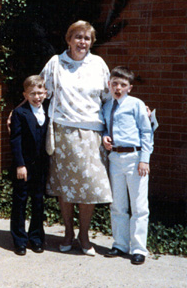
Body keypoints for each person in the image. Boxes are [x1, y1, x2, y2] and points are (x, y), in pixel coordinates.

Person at [40, 20, 112, 256]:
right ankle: (68, 232)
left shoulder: (99, 64)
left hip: (91, 133)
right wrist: (18, 113)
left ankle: (84, 235)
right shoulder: (55, 63)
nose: (82, 42)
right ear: (68, 39)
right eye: (78, 37)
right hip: (63, 132)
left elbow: (108, 100)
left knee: (89, 186)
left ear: (92, 42)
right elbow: (40, 93)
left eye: (87, 38)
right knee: (65, 187)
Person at [101, 66, 154, 265]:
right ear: (109, 84)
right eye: (114, 83)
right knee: (118, 205)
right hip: (115, 158)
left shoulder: (136, 105)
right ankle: (120, 244)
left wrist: (144, 159)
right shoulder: (107, 106)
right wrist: (104, 137)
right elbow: (105, 128)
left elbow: (146, 132)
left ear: (129, 87)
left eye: (123, 85)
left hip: (135, 159)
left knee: (139, 206)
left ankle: (138, 248)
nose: (118, 88)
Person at [9, 75, 49, 255]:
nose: (37, 97)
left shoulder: (48, 110)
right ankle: (19, 240)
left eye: (40, 93)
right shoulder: (20, 113)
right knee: (21, 201)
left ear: (46, 93)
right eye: (32, 93)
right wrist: (20, 165)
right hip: (24, 165)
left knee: (38, 201)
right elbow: (15, 140)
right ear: (25, 94)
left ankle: (36, 238)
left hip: (41, 165)